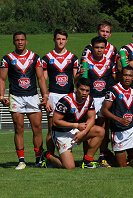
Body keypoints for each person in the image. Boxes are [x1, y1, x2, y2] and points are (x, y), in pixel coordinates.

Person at [0, 31, 49, 170]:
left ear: (26, 41)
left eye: (22, 39)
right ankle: (21, 161)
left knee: (37, 128)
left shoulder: (35, 57)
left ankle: (39, 159)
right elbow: (2, 79)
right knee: (19, 128)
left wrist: (45, 95)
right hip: (16, 97)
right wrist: (1, 96)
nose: (20, 42)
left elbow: (40, 78)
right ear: (14, 42)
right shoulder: (7, 58)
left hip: (33, 96)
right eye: (17, 40)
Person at [41, 29, 79, 166]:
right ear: (54, 39)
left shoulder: (73, 58)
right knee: (52, 128)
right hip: (53, 95)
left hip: (69, 96)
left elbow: (76, 79)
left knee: (68, 128)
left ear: (66, 40)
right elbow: (43, 80)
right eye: (58, 39)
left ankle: (66, 154)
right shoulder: (47, 58)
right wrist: (45, 97)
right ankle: (49, 156)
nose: (61, 41)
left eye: (63, 39)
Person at [50, 78, 105, 169]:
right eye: (82, 89)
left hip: (76, 130)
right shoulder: (65, 101)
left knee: (100, 131)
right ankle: (47, 155)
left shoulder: (89, 100)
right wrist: (76, 125)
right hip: (61, 133)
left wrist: (83, 132)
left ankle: (87, 161)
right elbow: (55, 121)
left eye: (87, 90)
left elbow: (91, 118)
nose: (84, 93)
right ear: (76, 89)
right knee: (69, 167)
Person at [80, 36, 117, 167]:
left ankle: (102, 156)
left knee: (103, 128)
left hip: (103, 99)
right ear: (92, 47)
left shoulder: (109, 63)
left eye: (102, 47)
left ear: (105, 49)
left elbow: (114, 81)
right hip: (90, 99)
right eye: (97, 47)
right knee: (88, 127)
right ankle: (86, 157)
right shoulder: (85, 62)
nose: (99, 50)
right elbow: (78, 82)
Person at [101, 66, 133, 167]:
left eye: (130, 76)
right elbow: (104, 110)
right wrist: (119, 119)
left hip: (132, 128)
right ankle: (110, 158)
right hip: (118, 130)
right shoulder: (113, 90)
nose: (127, 78)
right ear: (121, 76)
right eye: (125, 75)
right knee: (122, 166)